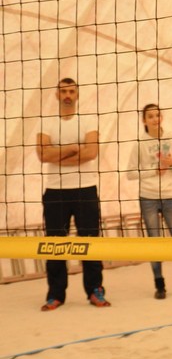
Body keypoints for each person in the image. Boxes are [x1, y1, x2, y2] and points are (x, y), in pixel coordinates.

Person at [36, 77, 111, 310]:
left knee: (90, 242)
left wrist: (57, 154)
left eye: (71, 91)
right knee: (55, 245)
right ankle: (55, 294)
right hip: (55, 191)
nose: (67, 95)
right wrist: (71, 149)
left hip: (85, 189)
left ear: (77, 95)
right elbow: (42, 155)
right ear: (57, 95)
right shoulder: (46, 123)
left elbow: (91, 153)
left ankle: (95, 290)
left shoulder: (88, 120)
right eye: (63, 91)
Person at [126, 103, 172, 299]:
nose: (155, 119)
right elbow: (130, 174)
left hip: (169, 196)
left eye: (157, 115)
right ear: (144, 120)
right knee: (155, 241)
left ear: (162, 117)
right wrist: (154, 171)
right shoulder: (139, 144)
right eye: (150, 116)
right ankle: (160, 286)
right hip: (148, 197)